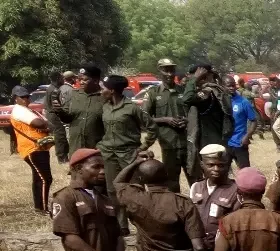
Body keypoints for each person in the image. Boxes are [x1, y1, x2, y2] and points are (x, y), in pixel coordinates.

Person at [96, 74, 155, 235]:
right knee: (112, 190)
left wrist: (142, 147)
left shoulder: (132, 108)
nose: (101, 91)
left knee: (134, 189)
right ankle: (121, 225)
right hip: (109, 154)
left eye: (103, 88)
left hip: (129, 154)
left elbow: (151, 127)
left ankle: (143, 224)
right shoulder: (105, 107)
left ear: (112, 90)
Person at [142, 58, 190, 193]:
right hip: (168, 144)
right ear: (159, 72)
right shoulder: (153, 93)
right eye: (166, 70)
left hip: (187, 143)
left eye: (172, 70)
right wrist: (165, 120)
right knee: (171, 182)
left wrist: (186, 120)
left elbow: (193, 114)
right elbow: (144, 118)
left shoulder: (183, 90)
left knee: (195, 179)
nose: (169, 74)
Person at [9, 86, 53, 215]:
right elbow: (39, 123)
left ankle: (39, 208)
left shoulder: (26, 110)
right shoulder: (19, 110)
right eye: (22, 97)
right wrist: (46, 123)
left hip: (38, 147)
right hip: (32, 148)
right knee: (45, 178)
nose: (26, 99)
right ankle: (43, 209)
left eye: (27, 96)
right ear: (15, 98)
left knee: (39, 178)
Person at [53, 64, 104, 156]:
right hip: (76, 148)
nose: (81, 82)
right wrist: (60, 111)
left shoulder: (105, 97)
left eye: (85, 80)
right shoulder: (73, 95)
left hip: (96, 149)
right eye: (79, 79)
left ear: (96, 80)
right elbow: (67, 119)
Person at [225, 75, 257, 168]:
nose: (232, 88)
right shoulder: (220, 103)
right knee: (222, 173)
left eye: (233, 85)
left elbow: (254, 121)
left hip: (239, 143)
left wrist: (247, 136)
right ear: (223, 86)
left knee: (245, 171)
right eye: (229, 86)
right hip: (224, 144)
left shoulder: (243, 102)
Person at [42, 70, 68, 163]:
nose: (63, 79)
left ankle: (63, 156)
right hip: (54, 115)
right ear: (58, 79)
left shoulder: (50, 88)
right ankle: (62, 158)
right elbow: (56, 106)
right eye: (61, 78)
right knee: (60, 136)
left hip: (51, 114)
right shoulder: (55, 90)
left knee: (60, 135)